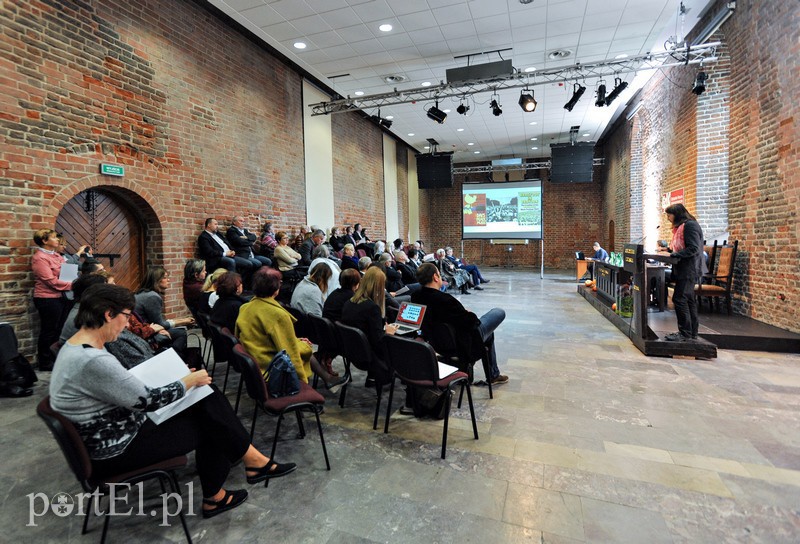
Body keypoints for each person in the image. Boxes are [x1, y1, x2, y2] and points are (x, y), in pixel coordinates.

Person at [50, 283, 297, 519]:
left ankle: (251, 463)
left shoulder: (78, 347)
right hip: (115, 450)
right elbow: (147, 400)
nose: (126, 324)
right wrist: (187, 381)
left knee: (206, 400)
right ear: (108, 314)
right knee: (211, 422)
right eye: (126, 316)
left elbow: (124, 387)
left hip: (112, 432)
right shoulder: (94, 359)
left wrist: (183, 379)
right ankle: (224, 488)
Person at [236, 267, 342, 388]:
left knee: (302, 344)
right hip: (271, 367)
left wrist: (296, 341)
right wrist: (303, 383)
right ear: (275, 289)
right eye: (280, 283)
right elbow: (289, 352)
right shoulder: (278, 315)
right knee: (306, 348)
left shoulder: (245, 308)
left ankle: (327, 378)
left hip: (253, 362)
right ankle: (327, 378)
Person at [411, 263, 508, 385]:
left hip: (436, 343)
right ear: (436, 277)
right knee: (498, 312)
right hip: (460, 343)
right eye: (440, 275)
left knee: (489, 335)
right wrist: (469, 313)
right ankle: (492, 375)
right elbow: (472, 323)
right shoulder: (445, 300)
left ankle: (493, 374)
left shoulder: (415, 296)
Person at [341, 267, 397, 388]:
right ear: (379, 287)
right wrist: (389, 333)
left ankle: (372, 378)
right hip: (370, 357)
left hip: (353, 352)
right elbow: (378, 342)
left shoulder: (349, 302)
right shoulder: (372, 308)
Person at [31, 229, 73, 370]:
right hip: (47, 298)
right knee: (49, 330)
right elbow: (51, 281)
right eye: (54, 238)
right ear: (44, 241)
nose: (57, 240)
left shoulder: (57, 255)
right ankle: (45, 362)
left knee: (59, 330)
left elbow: (67, 272)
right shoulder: (39, 258)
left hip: (62, 297)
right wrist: (72, 284)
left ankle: (55, 358)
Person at [662, 204, 705, 341]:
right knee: (688, 299)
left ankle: (685, 333)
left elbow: (693, 248)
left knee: (679, 299)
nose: (668, 218)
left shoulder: (690, 225)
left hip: (689, 269)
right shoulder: (682, 227)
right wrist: (669, 252)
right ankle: (691, 333)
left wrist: (674, 255)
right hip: (684, 268)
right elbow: (683, 247)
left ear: (677, 214)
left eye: (669, 215)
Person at [134, 267, 194, 354]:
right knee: (181, 333)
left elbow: (158, 322)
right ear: (157, 281)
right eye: (165, 277)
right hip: (144, 335)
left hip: (144, 329)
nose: (168, 280)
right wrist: (183, 322)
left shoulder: (143, 293)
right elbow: (160, 324)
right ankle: (174, 359)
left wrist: (183, 321)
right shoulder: (152, 297)